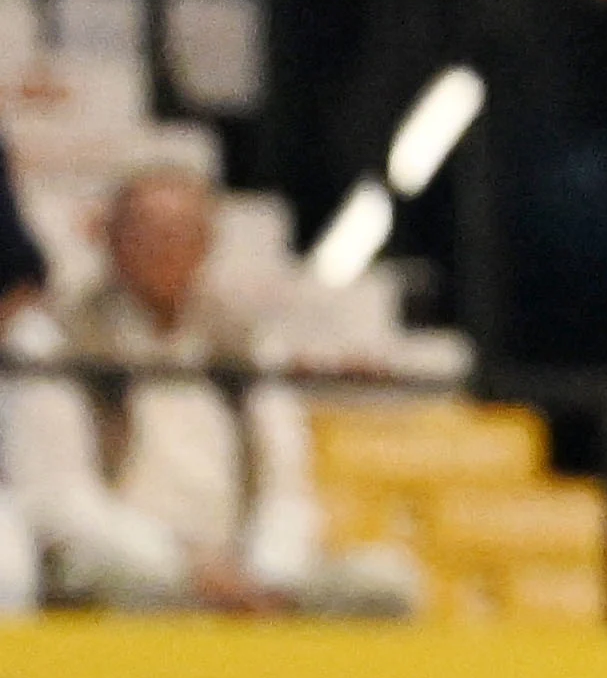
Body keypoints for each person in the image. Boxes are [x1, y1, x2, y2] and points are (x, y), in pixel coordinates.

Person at [7, 188, 411, 630]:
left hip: (242, 562)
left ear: (207, 244)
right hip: (127, 560)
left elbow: (285, 487)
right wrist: (186, 564)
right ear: (110, 238)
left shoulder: (246, 344)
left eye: (181, 233)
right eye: (146, 231)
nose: (164, 247)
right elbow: (58, 499)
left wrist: (264, 573)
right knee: (136, 579)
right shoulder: (54, 338)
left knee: (385, 582)